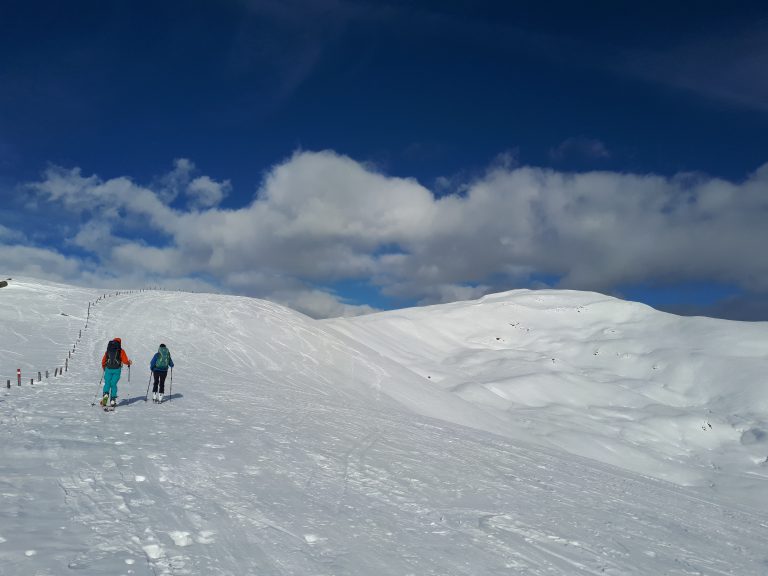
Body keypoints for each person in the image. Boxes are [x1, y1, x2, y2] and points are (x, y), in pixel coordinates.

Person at [100, 337, 132, 407]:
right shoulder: (121, 351)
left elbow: (103, 360)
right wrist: (129, 363)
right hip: (117, 370)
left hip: (108, 369)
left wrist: (104, 367)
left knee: (107, 383)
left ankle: (106, 394)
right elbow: (125, 360)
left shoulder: (108, 350)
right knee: (113, 384)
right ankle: (112, 399)